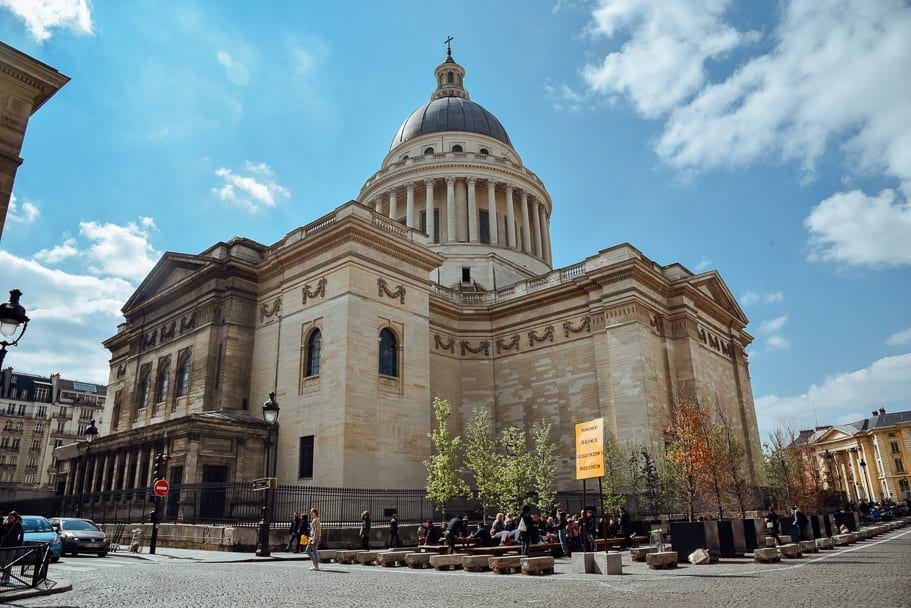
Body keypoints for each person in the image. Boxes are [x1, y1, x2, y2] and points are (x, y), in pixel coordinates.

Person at [1, 511, 23, 585]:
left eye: (11, 517)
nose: (10, 518)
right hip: (4, 545)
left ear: (15, 518)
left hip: (12, 546)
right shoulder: (5, 524)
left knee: (9, 563)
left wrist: (18, 544)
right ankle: (5, 575)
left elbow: (21, 535)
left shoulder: (18, 525)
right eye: (9, 517)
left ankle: (6, 578)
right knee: (2, 561)